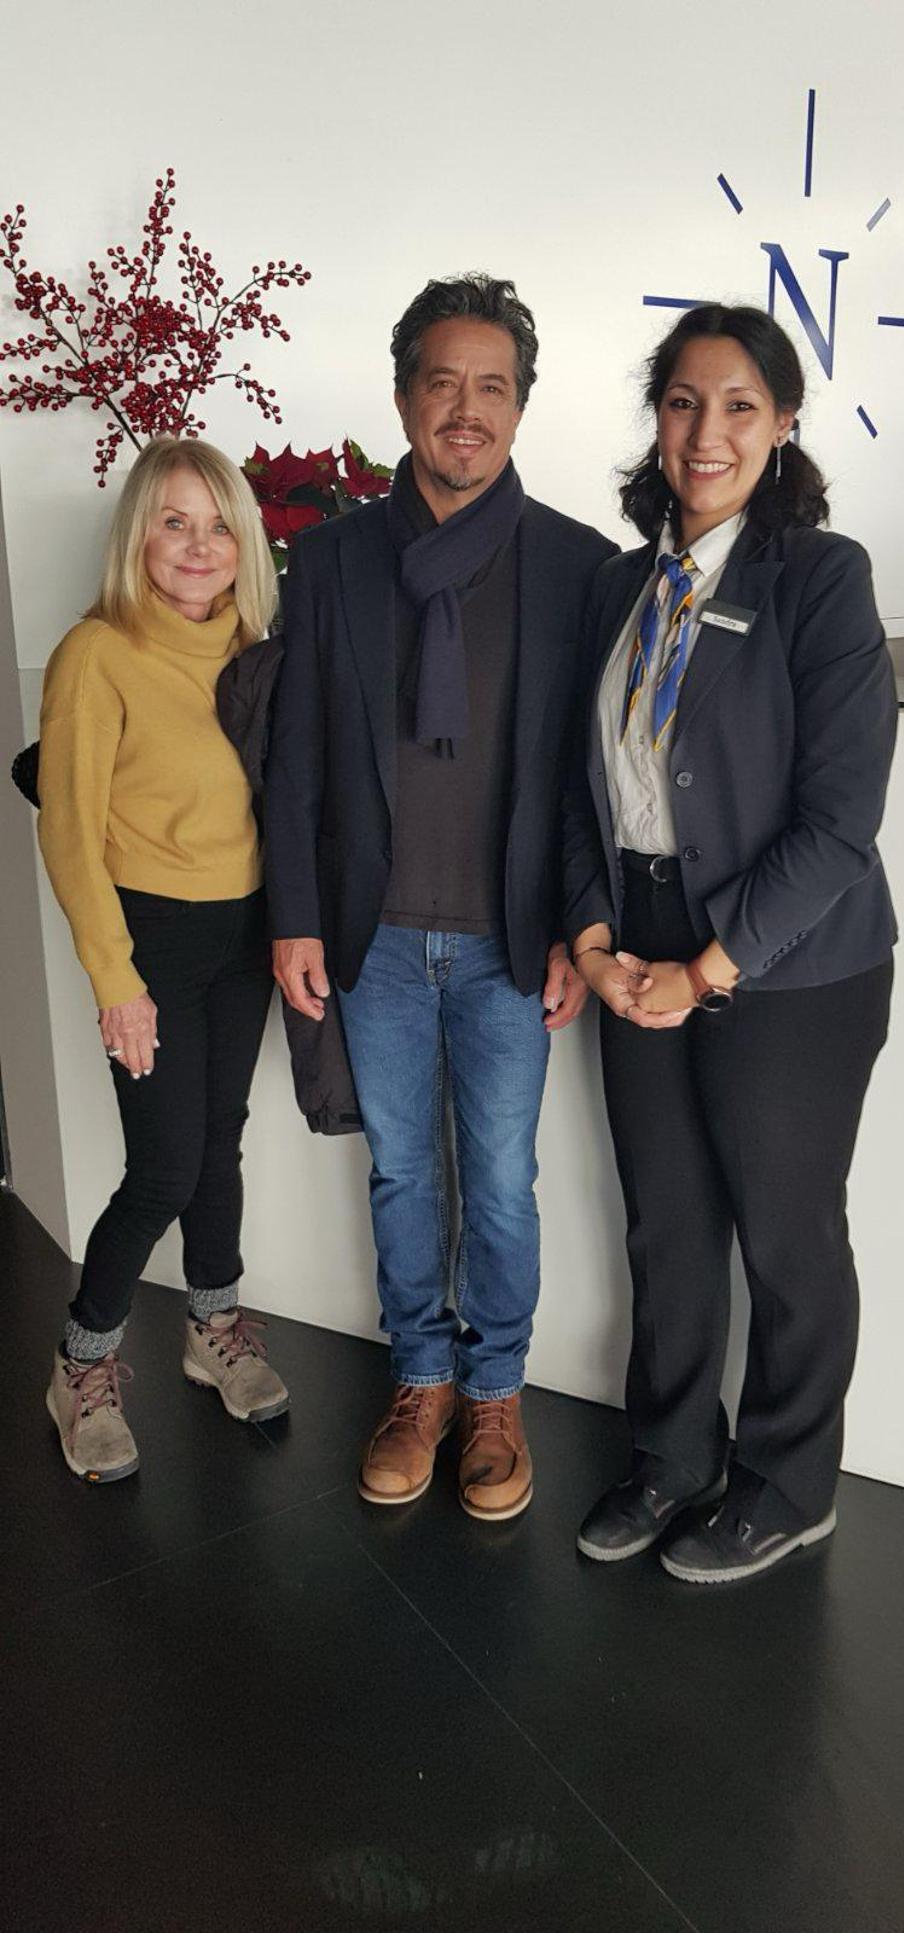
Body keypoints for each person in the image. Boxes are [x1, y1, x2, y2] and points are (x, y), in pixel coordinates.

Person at [266, 274, 616, 1521]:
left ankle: (495, 1391)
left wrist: (580, 924)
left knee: (503, 1182)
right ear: (403, 393)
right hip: (370, 934)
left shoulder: (576, 565)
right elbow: (294, 755)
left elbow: (584, 775)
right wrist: (294, 914)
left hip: (509, 942)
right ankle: (419, 1380)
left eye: (492, 387)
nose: (466, 408)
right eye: (442, 382)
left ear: (520, 405)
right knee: (403, 1176)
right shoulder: (330, 558)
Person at [564, 304, 897, 1583]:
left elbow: (840, 822)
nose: (707, 432)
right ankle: (671, 1456)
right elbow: (575, 788)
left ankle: (788, 1482)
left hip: (790, 960)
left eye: (740, 405)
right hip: (634, 940)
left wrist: (707, 967)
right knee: (666, 1220)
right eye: (684, 402)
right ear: (657, 418)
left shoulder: (820, 577)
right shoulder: (616, 586)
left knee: (784, 1225)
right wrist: (593, 938)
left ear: (783, 424)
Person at [40, 437, 290, 1482]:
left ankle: (211, 1328)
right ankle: (80, 1365)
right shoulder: (96, 652)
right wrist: (116, 980)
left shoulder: (260, 649)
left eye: (219, 524)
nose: (198, 545)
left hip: (245, 931)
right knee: (163, 1169)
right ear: (137, 536)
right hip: (151, 937)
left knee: (219, 1144)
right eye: (174, 522)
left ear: (245, 542)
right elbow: (67, 829)